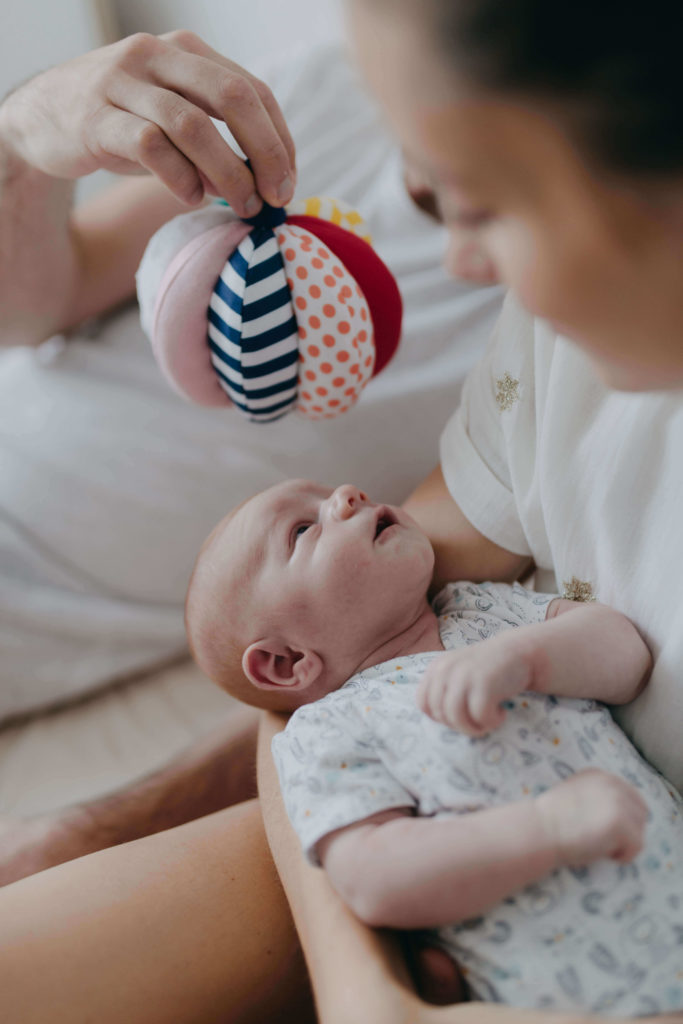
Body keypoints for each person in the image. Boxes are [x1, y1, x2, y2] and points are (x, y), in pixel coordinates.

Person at [0, 2, 682, 1022]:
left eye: (471, 201)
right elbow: (331, 681)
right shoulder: (538, 347)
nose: (455, 254)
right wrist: (360, 980)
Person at [184, 475, 682, 1016]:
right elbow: (371, 877)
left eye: (326, 494)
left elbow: (627, 658)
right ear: (286, 662)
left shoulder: (478, 609)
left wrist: (526, 657)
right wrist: (548, 829)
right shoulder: (322, 732)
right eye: (303, 529)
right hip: (580, 992)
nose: (347, 493)